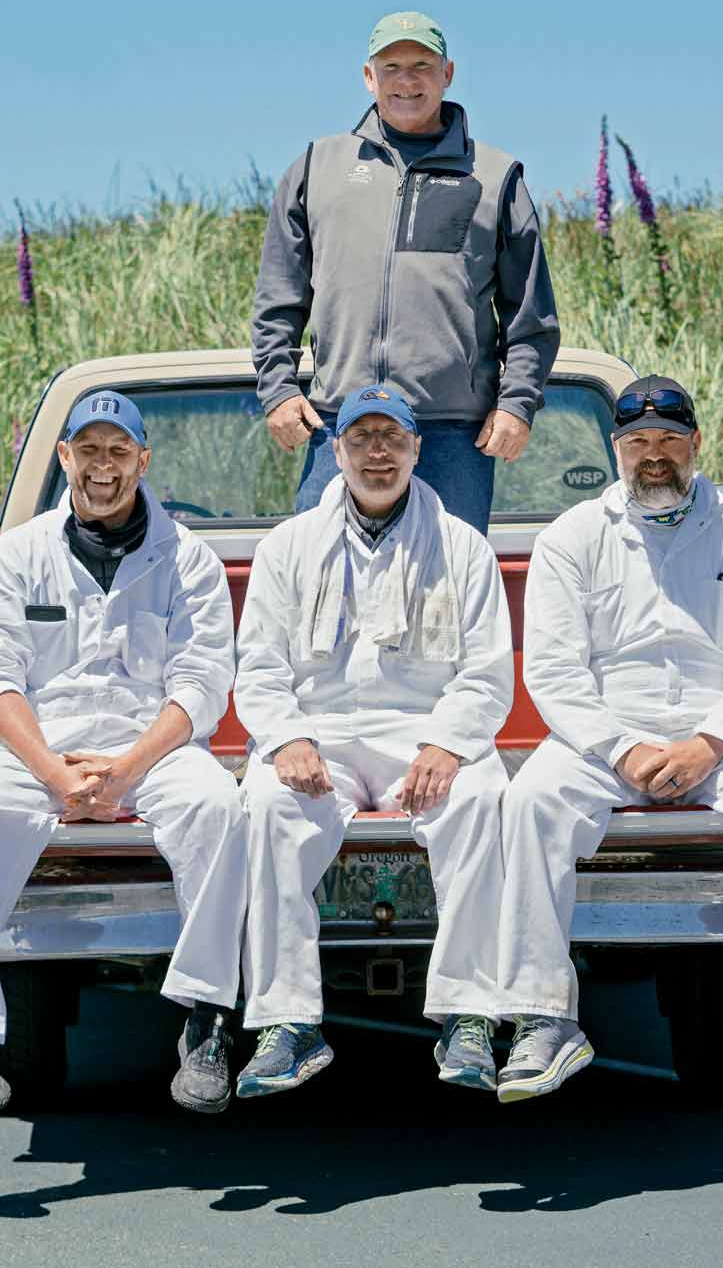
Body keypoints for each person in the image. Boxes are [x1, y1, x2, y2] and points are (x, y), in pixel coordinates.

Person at [494, 375, 723, 1103]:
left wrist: (710, 741)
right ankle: (542, 1018)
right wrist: (621, 749)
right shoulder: (571, 538)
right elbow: (553, 670)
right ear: (617, 449)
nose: (654, 456)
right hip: (605, 740)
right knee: (531, 800)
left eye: (669, 441)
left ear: (696, 444)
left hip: (722, 739)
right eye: (638, 443)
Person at [0, 390, 248, 1120]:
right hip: (36, 746)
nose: (103, 467)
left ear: (142, 460)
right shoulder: (16, 555)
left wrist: (126, 771)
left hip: (152, 744)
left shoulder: (188, 559)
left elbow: (202, 684)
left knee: (220, 807)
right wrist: (56, 774)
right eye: (87, 450)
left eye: (118, 451)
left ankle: (208, 1022)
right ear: (64, 458)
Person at [233, 385, 513, 1095]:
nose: (378, 452)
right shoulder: (287, 547)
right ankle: (287, 1024)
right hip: (319, 737)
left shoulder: (463, 548)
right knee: (268, 802)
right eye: (361, 438)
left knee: (481, 795)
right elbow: (259, 668)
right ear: (337, 453)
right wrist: (287, 737)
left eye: (393, 437)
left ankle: (469, 1016)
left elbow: (486, 674)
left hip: (421, 734)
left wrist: (449, 744)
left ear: (418, 449)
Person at [251, 10, 561, 535]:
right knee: (322, 597)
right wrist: (278, 390)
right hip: (337, 424)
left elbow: (530, 315)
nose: (407, 79)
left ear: (448, 73)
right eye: (391, 65)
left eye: (422, 64)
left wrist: (517, 405)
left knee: (449, 600)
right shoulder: (316, 167)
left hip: (453, 436)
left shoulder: (494, 175)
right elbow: (278, 299)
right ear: (369, 77)